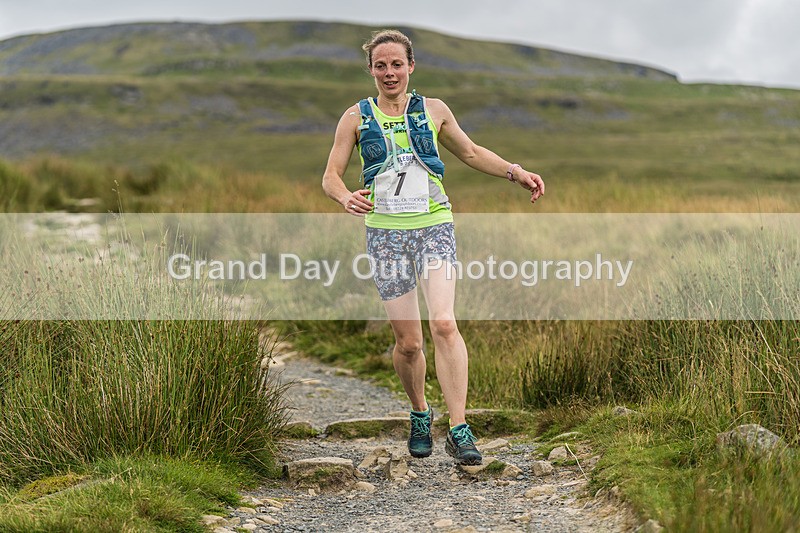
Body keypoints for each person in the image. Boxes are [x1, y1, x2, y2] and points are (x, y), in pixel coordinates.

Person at [322, 29, 544, 465]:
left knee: (444, 323)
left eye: (397, 64)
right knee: (408, 344)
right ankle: (421, 413)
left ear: (411, 66)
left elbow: (472, 152)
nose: (389, 72)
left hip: (434, 225)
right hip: (385, 233)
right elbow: (330, 175)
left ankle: (459, 428)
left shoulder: (434, 110)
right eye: (381, 65)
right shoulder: (355, 117)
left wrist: (516, 172)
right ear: (370, 70)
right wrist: (343, 195)